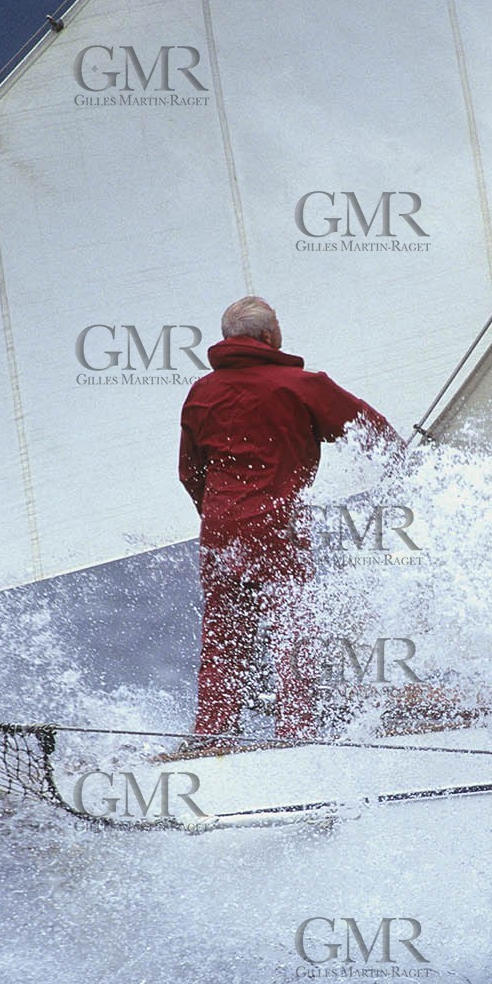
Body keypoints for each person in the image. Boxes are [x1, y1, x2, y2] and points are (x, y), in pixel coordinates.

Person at [178, 296, 404, 747]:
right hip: (277, 525)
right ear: (267, 337)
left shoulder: (202, 393)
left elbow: (190, 471)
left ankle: (212, 734)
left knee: (224, 633)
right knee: (292, 629)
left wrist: (221, 512)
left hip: (221, 527)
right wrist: (410, 466)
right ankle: (295, 736)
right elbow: (368, 428)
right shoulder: (300, 386)